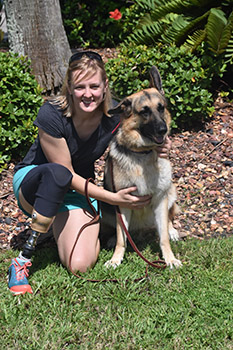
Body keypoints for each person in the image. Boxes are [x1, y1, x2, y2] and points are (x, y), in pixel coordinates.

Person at [8, 50, 172, 295]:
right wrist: (113, 198)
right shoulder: (51, 114)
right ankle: (22, 260)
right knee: (57, 175)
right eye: (80, 87)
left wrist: (161, 143)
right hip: (36, 182)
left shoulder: (114, 115)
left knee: (80, 265)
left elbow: (139, 130)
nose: (88, 94)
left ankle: (56, 228)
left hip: (76, 189)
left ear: (105, 86)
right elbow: (65, 173)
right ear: (69, 87)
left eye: (94, 86)